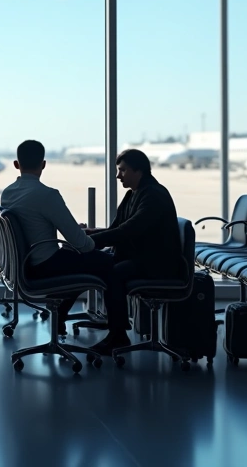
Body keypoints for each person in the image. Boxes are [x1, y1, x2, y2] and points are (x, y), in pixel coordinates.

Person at [0, 140, 128, 351]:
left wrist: (78, 237)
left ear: (16, 164)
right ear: (44, 164)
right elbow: (80, 244)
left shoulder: (8, 193)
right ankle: (118, 334)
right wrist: (91, 241)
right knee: (110, 265)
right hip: (45, 265)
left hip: (28, 263)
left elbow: (35, 224)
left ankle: (59, 316)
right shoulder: (48, 195)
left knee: (81, 260)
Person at [85, 149, 187, 355]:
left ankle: (118, 335)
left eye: (122, 170)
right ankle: (114, 329)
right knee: (99, 264)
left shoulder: (153, 195)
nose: (117, 176)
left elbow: (129, 230)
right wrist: (89, 234)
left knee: (113, 274)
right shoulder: (133, 194)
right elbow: (116, 228)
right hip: (142, 258)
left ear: (138, 170)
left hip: (158, 264)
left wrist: (90, 241)